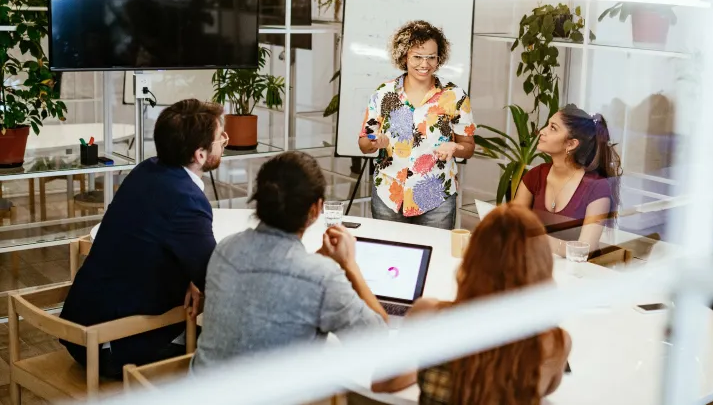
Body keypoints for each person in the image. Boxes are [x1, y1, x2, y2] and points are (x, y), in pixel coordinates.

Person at [60, 99, 226, 377]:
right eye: (220, 137)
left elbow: (152, 242)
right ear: (199, 155)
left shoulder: (147, 169)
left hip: (81, 330)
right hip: (113, 346)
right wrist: (198, 278)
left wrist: (190, 278)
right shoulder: (186, 200)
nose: (224, 141)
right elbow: (216, 279)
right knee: (228, 353)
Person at [192, 152, 388, 370]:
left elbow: (276, 278)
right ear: (315, 209)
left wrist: (321, 255)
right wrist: (350, 265)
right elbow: (378, 341)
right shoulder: (322, 277)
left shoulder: (226, 248)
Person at [372, 204, 571, 404]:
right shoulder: (555, 343)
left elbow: (381, 383)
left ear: (472, 255)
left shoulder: (428, 314)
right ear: (542, 265)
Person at [358, 20, 476, 230]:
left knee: (435, 257)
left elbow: (468, 146)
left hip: (436, 195)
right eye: (418, 57)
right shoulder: (384, 93)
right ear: (404, 56)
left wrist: (456, 147)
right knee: (389, 257)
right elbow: (364, 143)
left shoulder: (455, 96)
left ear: (439, 58)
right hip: (389, 193)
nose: (425, 64)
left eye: (431, 57)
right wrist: (375, 142)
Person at [512, 104, 622, 250]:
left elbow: (585, 248)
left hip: (576, 272)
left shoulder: (596, 187)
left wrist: (535, 239)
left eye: (553, 128)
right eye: (547, 125)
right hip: (534, 265)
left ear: (571, 144)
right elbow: (512, 225)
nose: (542, 131)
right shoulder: (534, 175)